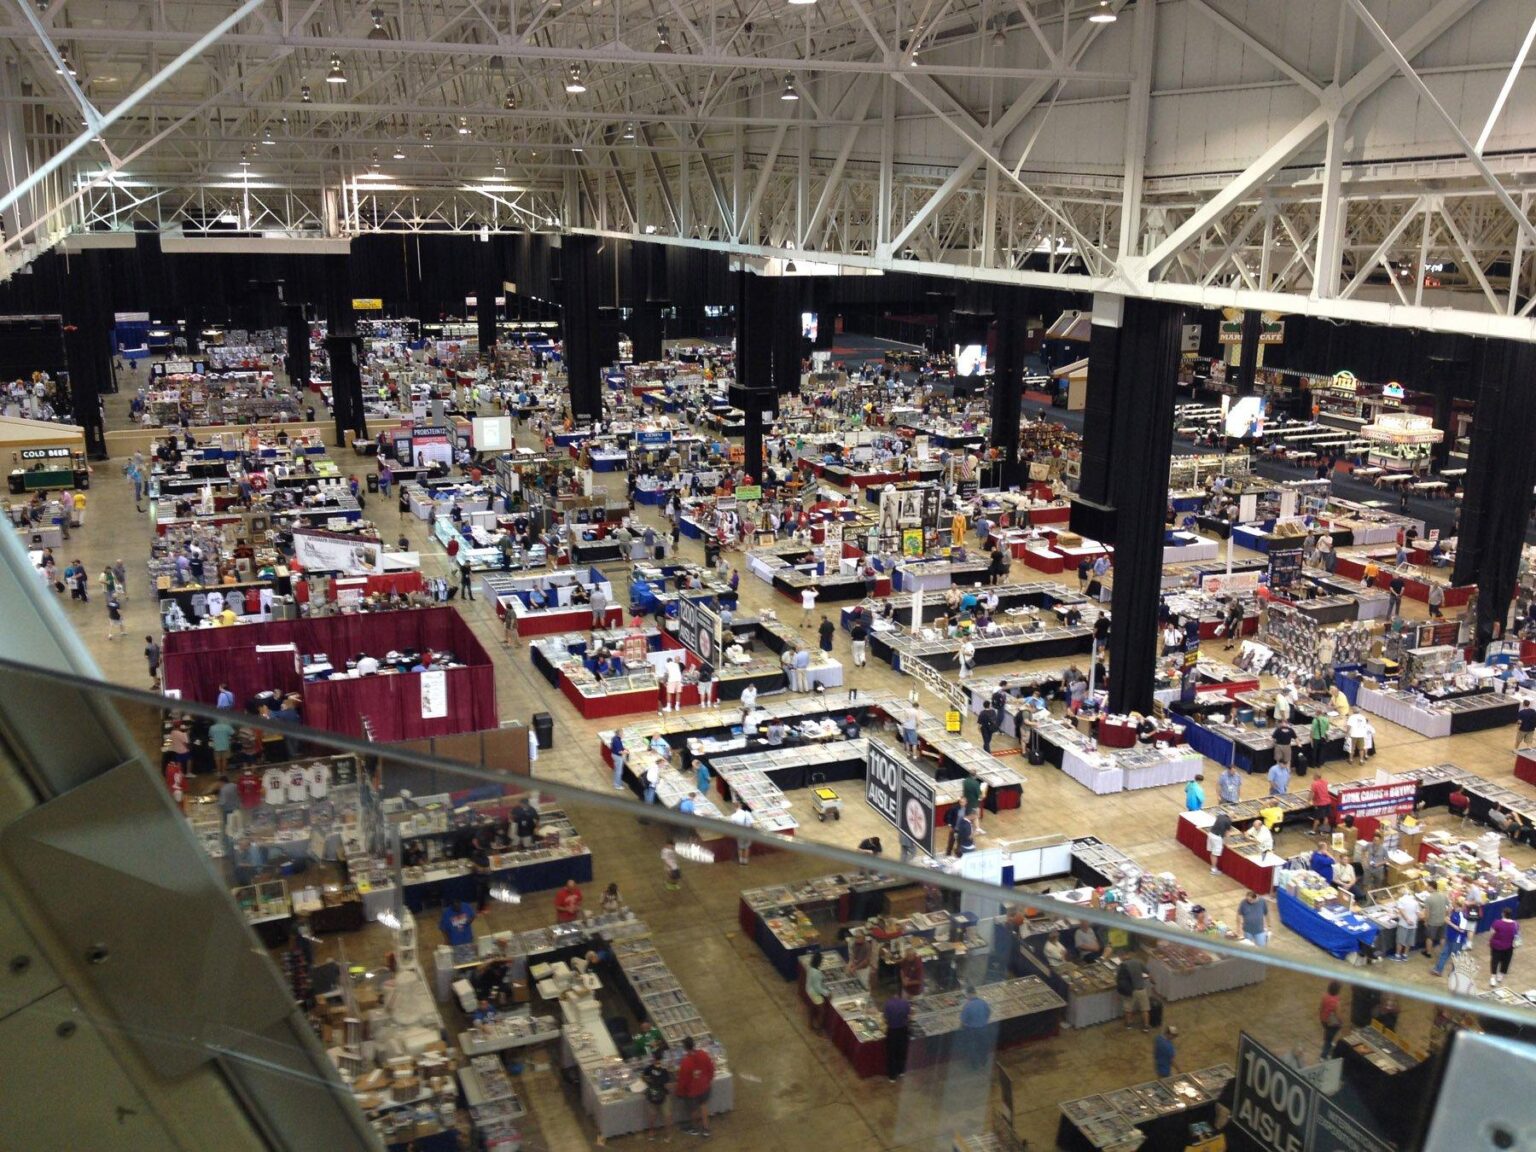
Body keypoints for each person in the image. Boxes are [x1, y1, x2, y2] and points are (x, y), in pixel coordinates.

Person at [674, 1035, 715, 1137]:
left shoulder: (685, 1062)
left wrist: (680, 1092)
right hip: (704, 1087)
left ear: (685, 1048)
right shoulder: (703, 1054)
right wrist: (708, 1080)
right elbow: (711, 1068)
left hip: (692, 1091)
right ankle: (706, 1128)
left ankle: (694, 1128)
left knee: (693, 1110)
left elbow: (682, 1080)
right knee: (703, 1105)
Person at [1433, 899, 1472, 976]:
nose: (1453, 906)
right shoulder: (1454, 912)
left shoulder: (1463, 917)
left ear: (1459, 906)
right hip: (1450, 938)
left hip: (1457, 940)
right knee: (1444, 954)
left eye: (1454, 905)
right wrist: (1448, 915)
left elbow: (1462, 930)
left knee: (1455, 957)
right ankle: (1438, 970)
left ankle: (1454, 973)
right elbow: (1447, 918)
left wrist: (1450, 923)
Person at [959, 985, 992, 1069]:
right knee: (983, 1045)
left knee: (972, 1046)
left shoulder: (967, 1006)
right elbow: (988, 1012)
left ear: (969, 994)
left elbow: (963, 1020)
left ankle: (974, 1064)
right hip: (983, 1028)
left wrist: (963, 1026)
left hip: (972, 1030)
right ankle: (983, 1061)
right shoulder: (983, 1002)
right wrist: (983, 1020)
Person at [641, 1049, 672, 1139]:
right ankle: (668, 1135)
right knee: (667, 1115)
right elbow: (667, 1084)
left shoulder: (648, 1068)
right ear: (661, 1058)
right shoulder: (664, 1070)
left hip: (651, 1094)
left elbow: (643, 1078)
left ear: (653, 1058)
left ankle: (651, 1132)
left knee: (652, 1115)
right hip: (663, 1095)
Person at [1117, 953, 1152, 1031]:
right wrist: (1153, 981)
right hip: (1141, 989)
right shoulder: (1138, 962)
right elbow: (1148, 972)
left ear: (1121, 957)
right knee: (1145, 1009)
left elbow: (1119, 979)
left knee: (1128, 1009)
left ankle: (1128, 1025)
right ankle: (1146, 1026)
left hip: (1129, 991)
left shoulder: (1121, 966)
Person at [883, 986, 911, 1081]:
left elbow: (886, 1018)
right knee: (902, 1051)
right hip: (903, 1030)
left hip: (892, 1030)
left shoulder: (888, 1004)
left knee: (892, 1053)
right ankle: (901, 1071)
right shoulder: (905, 1003)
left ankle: (892, 1076)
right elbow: (908, 1016)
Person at [1489, 907, 1520, 986]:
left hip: (1496, 946)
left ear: (1503, 914)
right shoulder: (1515, 924)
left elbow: (1492, 932)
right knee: (1506, 961)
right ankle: (1500, 975)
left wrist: (1490, 940)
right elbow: (1516, 935)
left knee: (1494, 961)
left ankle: (1493, 978)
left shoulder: (1497, 923)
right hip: (1509, 947)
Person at [805, 952, 827, 1032]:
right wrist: (827, 993)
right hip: (815, 994)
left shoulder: (810, 967)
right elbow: (818, 988)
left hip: (808, 990)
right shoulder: (816, 973)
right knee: (822, 1012)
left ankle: (810, 1024)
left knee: (812, 1008)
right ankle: (819, 1030)